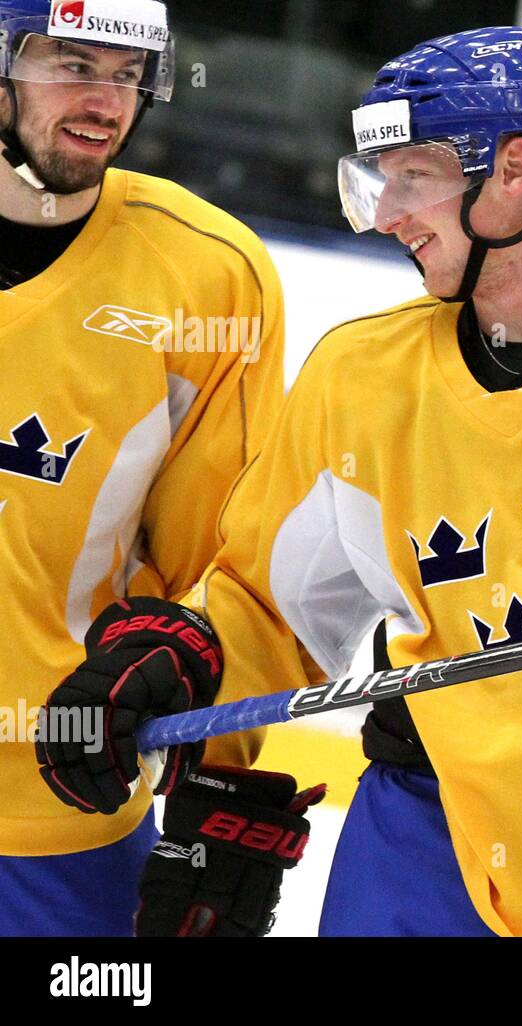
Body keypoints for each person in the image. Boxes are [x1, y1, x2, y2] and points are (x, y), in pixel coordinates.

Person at [40, 24, 522, 937]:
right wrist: (184, 665)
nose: (386, 214)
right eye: (379, 182)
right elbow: (269, 604)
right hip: (424, 820)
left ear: (513, 171)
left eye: (411, 178)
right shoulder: (360, 376)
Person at [0, 0, 291, 937]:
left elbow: (234, 563)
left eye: (127, 74)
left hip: (54, 794)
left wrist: (220, 794)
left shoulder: (208, 276)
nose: (103, 101)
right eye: (72, 64)